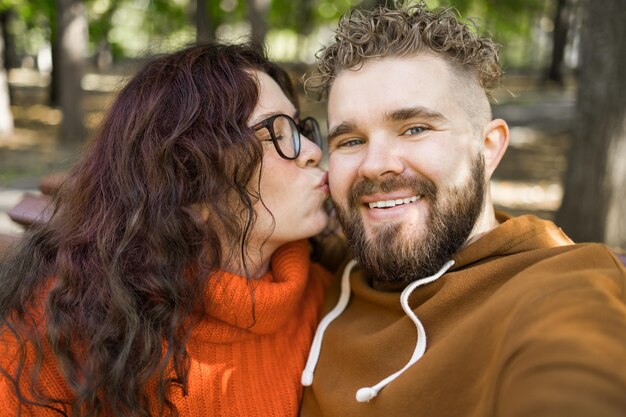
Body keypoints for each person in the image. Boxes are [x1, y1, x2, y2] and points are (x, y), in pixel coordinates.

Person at [299, 3, 626, 416]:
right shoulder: (325, 269)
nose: (376, 163)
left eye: (414, 129)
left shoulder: (563, 287)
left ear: (488, 149)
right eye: (349, 141)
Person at [0, 42, 335, 416]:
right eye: (279, 131)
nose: (312, 150)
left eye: (301, 127)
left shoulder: (329, 299)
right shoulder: (66, 326)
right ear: (192, 184)